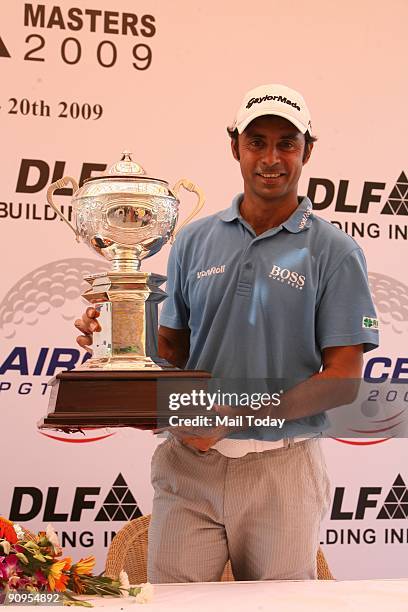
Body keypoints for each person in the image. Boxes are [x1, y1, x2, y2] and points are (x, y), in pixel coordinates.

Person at [75, 84, 379, 583]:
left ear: (308, 150)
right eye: (257, 142)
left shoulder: (335, 252)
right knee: (175, 605)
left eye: (287, 143)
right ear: (234, 146)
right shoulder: (194, 239)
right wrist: (117, 336)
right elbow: (171, 350)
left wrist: (233, 412)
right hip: (189, 464)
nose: (271, 158)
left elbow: (343, 378)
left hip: (281, 468)